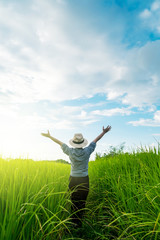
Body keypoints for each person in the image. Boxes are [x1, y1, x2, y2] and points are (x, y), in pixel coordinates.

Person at [41, 125, 111, 227]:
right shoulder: (87, 151)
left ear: (74, 143)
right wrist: (104, 132)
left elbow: (59, 142)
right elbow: (96, 140)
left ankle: (73, 221)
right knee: (82, 201)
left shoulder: (70, 151)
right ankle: (79, 222)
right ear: (82, 143)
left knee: (73, 200)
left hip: (73, 179)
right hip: (84, 179)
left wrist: (50, 136)